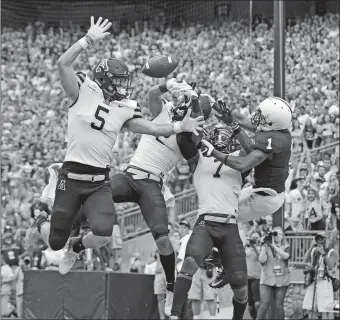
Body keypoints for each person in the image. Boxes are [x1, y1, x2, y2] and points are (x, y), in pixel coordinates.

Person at [26, 16, 204, 276]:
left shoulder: (124, 108)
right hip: (72, 175)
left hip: (99, 180)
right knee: (55, 242)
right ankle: (42, 216)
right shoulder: (81, 89)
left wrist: (180, 126)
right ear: (105, 80)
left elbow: (153, 128)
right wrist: (87, 39)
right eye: (119, 82)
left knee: (103, 234)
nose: (124, 87)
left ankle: (76, 246)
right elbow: (62, 62)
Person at [169, 126, 252, 320]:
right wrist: (193, 116)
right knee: (189, 262)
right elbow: (184, 142)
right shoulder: (199, 158)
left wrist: (235, 125)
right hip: (206, 222)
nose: (222, 139)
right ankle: (174, 315)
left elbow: (253, 152)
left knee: (241, 287)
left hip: (230, 226)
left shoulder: (239, 161)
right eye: (218, 136)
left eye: (226, 136)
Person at [203, 97, 292, 223]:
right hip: (261, 190)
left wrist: (213, 152)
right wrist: (229, 119)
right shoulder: (276, 130)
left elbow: (243, 164)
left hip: (265, 199)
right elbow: (251, 146)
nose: (258, 117)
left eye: (263, 116)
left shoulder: (275, 140)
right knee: (214, 209)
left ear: (272, 121)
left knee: (217, 219)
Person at [256, 227, 291, 320]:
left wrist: (274, 246)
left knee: (279, 306)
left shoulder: (286, 247)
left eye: (280, 234)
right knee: (264, 305)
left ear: (283, 237)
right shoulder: (266, 246)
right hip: (267, 279)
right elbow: (261, 260)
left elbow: (286, 256)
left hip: (282, 280)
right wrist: (264, 246)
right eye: (276, 234)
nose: (278, 236)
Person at [302, 232, 339, 319]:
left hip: (325, 282)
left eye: (322, 238)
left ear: (328, 239)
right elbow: (304, 259)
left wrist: (323, 253)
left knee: (326, 310)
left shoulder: (332, 252)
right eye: (318, 238)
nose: (320, 240)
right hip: (313, 282)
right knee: (311, 308)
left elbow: (330, 266)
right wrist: (312, 246)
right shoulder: (314, 250)